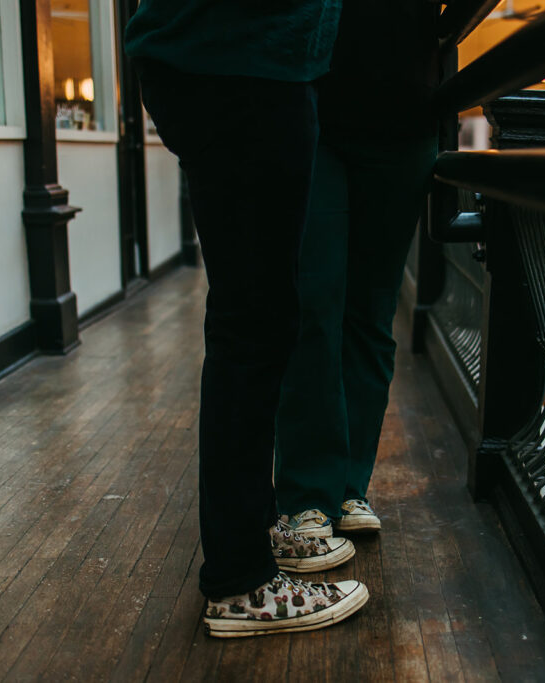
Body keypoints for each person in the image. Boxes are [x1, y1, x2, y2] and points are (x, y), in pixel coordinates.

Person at [124, 1, 368, 637]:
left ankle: (252, 540)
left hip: (232, 56)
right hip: (244, 61)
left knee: (254, 317)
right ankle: (241, 581)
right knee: (254, 326)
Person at [273, 0, 441, 537]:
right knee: (314, 303)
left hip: (404, 117)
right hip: (314, 105)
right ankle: (306, 494)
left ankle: (348, 488)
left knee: (370, 314)